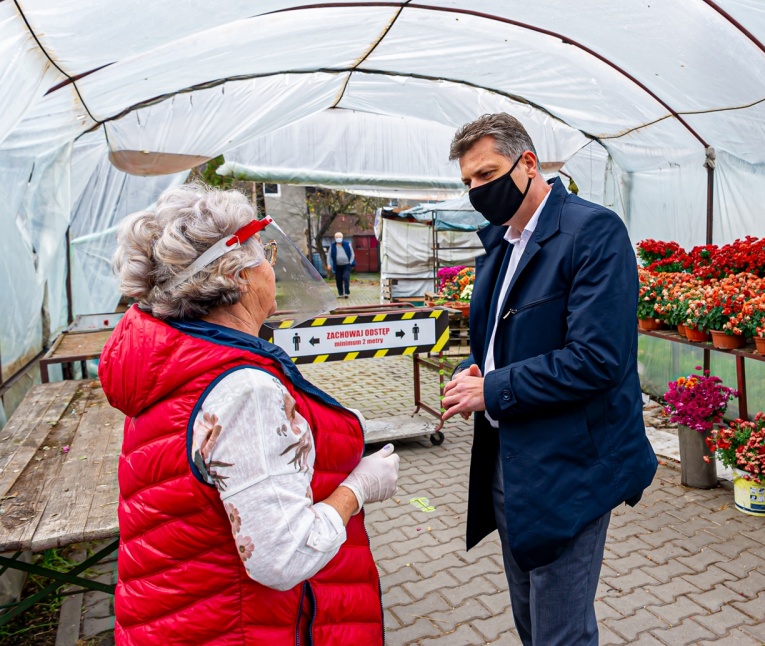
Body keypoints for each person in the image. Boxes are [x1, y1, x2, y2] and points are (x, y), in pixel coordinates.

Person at [99, 184, 398, 645]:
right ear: (237, 276)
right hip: (241, 629)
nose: (272, 268)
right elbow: (282, 557)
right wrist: (358, 488)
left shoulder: (176, 359)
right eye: (265, 255)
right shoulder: (244, 390)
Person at [442, 114, 658, 645]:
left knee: (560, 630)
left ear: (529, 163)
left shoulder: (591, 231)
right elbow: (504, 332)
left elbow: (597, 358)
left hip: (570, 466)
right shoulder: (502, 241)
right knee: (530, 618)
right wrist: (481, 368)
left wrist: (492, 389)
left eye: (487, 174)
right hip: (509, 458)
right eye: (469, 181)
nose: (477, 190)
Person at [326, 232, 356, 298]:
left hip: (346, 265)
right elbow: (329, 256)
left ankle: (346, 293)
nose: (338, 238)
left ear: (342, 238)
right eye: (337, 237)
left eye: (339, 237)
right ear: (335, 238)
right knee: (338, 279)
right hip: (337, 266)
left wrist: (350, 262)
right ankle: (341, 293)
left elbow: (352, 254)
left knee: (346, 278)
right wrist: (328, 264)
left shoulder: (347, 244)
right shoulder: (332, 246)